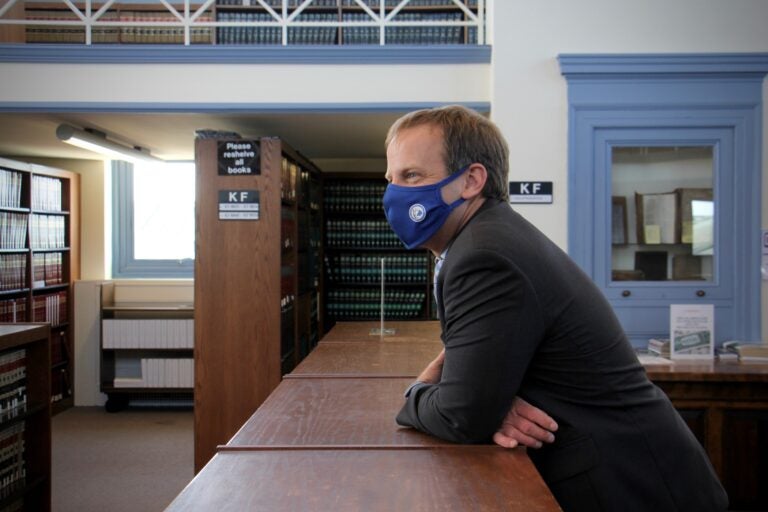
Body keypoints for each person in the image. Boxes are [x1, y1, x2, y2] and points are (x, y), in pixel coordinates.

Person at [383, 105, 728, 511]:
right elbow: (475, 398)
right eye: (390, 179)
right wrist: (485, 401)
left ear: (472, 180)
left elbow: (462, 416)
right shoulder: (488, 236)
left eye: (412, 176)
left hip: (639, 487)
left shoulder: (483, 256)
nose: (394, 194)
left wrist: (420, 391)